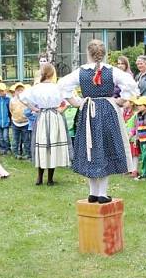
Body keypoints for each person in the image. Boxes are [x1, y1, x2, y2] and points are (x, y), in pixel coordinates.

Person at [58, 39, 139, 203]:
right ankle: (101, 193)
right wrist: (121, 101)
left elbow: (62, 85)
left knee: (91, 149)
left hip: (88, 111)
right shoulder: (113, 71)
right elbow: (131, 85)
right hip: (108, 111)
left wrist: (76, 102)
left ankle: (93, 192)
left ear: (88, 53)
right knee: (105, 149)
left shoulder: (80, 72)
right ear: (104, 54)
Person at [20, 63, 71, 185]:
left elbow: (22, 98)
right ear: (52, 74)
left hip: (43, 116)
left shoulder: (37, 87)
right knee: (52, 145)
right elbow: (68, 101)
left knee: (42, 145)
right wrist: (60, 110)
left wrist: (35, 108)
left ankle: (40, 177)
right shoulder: (57, 87)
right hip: (54, 116)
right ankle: (49, 179)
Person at [134, 97, 146, 179]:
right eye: (137, 105)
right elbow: (137, 128)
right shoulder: (138, 115)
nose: (138, 106)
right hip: (141, 140)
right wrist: (137, 139)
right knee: (143, 157)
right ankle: (145, 172)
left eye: (140, 105)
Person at [9, 83, 30, 159]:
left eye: (21, 90)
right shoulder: (12, 100)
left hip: (25, 122)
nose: (20, 92)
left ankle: (27, 153)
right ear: (15, 91)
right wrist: (15, 117)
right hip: (15, 122)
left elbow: (29, 109)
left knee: (26, 139)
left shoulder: (27, 99)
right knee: (15, 139)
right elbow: (11, 110)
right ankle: (15, 153)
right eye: (18, 90)